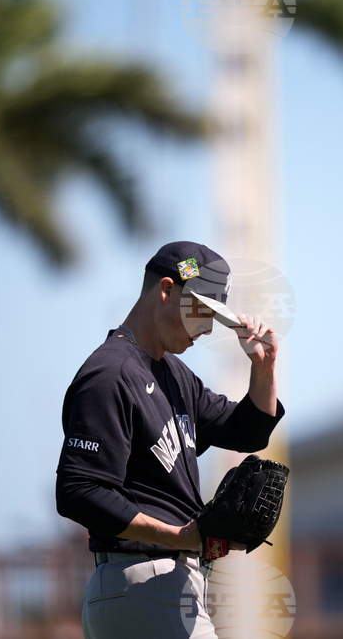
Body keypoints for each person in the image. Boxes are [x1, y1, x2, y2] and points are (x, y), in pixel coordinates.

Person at [55, 241, 284, 639]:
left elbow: (247, 432)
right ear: (166, 291)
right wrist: (180, 536)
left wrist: (264, 368)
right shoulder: (110, 374)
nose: (208, 328)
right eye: (202, 312)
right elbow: (78, 490)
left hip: (162, 589)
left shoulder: (175, 377)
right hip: (143, 582)